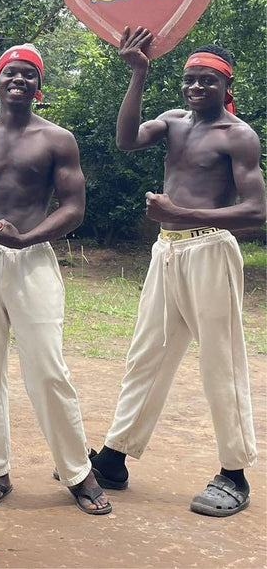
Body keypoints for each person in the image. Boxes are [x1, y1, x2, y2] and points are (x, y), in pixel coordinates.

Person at [90, 27, 265, 517]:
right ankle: (114, 458)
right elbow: (126, 140)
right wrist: (138, 72)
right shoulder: (172, 122)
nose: (195, 88)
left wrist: (185, 214)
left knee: (220, 362)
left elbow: (256, 210)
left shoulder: (238, 135)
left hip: (210, 249)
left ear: (226, 86)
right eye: (189, 79)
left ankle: (234, 475)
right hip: (166, 252)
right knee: (146, 355)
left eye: (206, 80)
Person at [0, 44, 110, 515]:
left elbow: (73, 209)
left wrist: (25, 239)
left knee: (47, 369)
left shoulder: (57, 140)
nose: (18, 81)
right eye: (10, 74)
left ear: (38, 87)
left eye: (27, 75)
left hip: (31, 257)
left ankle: (78, 472)